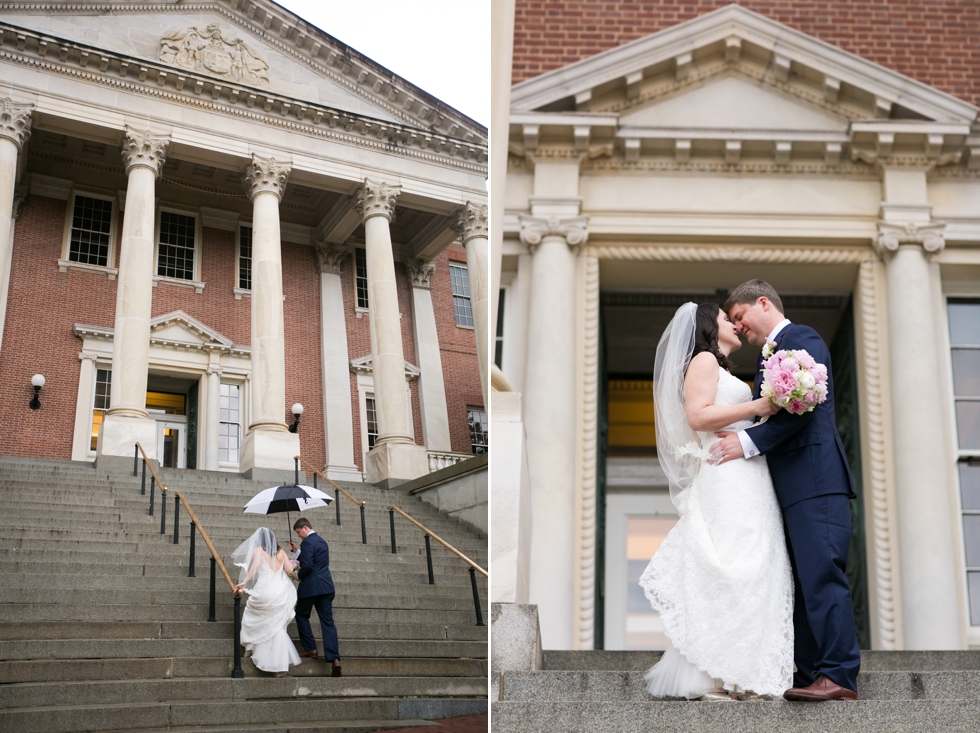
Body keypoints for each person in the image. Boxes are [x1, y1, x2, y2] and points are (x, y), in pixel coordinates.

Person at [713, 280, 861, 701]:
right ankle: (812, 671)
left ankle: (838, 675)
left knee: (822, 575)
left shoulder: (800, 339)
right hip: (791, 488)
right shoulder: (767, 357)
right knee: (799, 582)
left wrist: (744, 443)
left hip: (816, 482)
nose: (739, 327)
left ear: (764, 303)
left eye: (740, 317)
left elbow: (801, 407)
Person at [638, 301, 794, 700]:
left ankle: (745, 673)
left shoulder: (722, 368)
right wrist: (760, 406)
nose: (735, 324)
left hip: (748, 474)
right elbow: (698, 416)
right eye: (727, 319)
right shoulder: (704, 360)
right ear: (710, 327)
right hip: (727, 477)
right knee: (733, 564)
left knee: (757, 564)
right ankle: (719, 675)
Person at [231, 527, 302, 677]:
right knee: (277, 628)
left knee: (251, 614)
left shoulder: (259, 550)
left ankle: (250, 645)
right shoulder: (281, 552)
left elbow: (256, 567)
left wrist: (244, 582)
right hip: (280, 592)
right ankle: (280, 666)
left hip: (265, 591)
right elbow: (290, 570)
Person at [288, 517, 342, 677]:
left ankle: (310, 648)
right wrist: (297, 552)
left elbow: (309, 565)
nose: (298, 536)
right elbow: (315, 560)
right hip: (326, 586)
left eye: (299, 532)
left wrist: (298, 575)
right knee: (328, 622)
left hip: (311, 587)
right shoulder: (322, 541)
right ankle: (335, 659)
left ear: (305, 528)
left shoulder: (307, 543)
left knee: (302, 615)